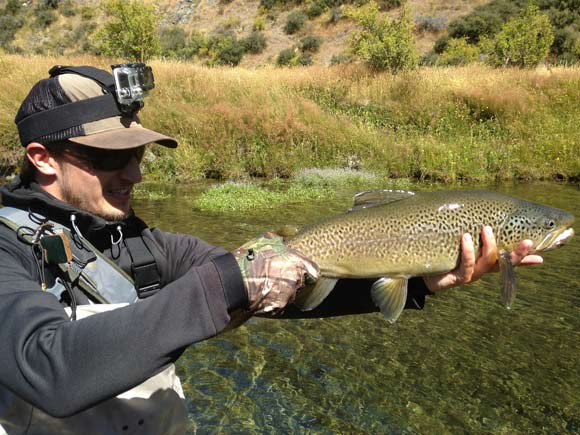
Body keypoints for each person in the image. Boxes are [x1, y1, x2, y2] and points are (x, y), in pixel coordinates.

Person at [0, 65, 542, 434]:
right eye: (112, 158)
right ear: (44, 158)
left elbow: (287, 289)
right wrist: (229, 283)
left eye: (139, 155)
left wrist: (420, 281)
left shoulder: (142, 243)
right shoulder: (6, 248)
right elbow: (49, 368)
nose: (135, 173)